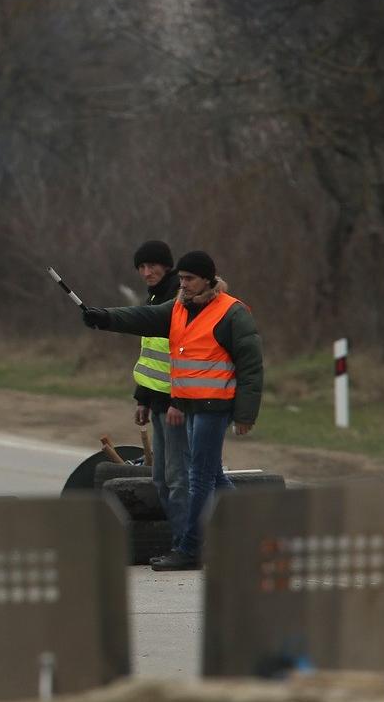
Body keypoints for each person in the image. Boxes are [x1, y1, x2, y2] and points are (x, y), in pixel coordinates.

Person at [82, 250, 262, 571]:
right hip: (189, 405)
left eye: (190, 279)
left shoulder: (232, 313)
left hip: (215, 407)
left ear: (209, 279)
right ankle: (255, 533)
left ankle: (190, 549)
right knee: (214, 477)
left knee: (199, 478)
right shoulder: (178, 307)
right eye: (181, 279)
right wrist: (105, 317)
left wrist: (245, 414)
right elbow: (143, 318)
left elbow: (251, 368)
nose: (184, 285)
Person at [129, 240, 189, 559]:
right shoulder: (154, 297)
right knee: (162, 478)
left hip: (177, 405)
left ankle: (186, 545)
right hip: (158, 403)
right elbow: (151, 357)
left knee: (179, 478)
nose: (146, 272)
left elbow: (183, 356)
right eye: (141, 267)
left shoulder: (176, 297)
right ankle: (180, 541)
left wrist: (178, 401)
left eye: (152, 265)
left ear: (166, 265)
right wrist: (142, 398)